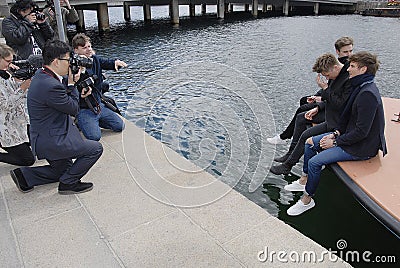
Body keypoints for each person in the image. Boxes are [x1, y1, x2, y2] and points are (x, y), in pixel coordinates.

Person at [286, 52, 387, 216]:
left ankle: (307, 200)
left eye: (353, 66)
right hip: (348, 135)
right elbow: (347, 117)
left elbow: (362, 132)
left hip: (362, 147)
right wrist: (336, 133)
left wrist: (335, 141)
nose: (349, 70)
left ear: (363, 69)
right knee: (309, 142)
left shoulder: (367, 94)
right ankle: (304, 180)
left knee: (314, 163)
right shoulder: (360, 87)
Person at [9, 40, 103, 195]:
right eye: (67, 60)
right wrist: (73, 85)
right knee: (95, 148)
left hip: (43, 135)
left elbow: (58, 99)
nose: (70, 63)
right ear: (56, 62)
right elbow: (73, 108)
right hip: (53, 140)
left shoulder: (41, 75)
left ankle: (25, 176)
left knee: (64, 170)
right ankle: (68, 184)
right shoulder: (50, 85)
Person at [270, 53, 352, 175]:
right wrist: (318, 107)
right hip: (330, 115)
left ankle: (288, 165)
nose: (327, 78)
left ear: (335, 67)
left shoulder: (348, 79)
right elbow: (331, 98)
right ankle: (289, 155)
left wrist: (325, 89)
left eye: (327, 75)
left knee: (306, 135)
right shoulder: (335, 76)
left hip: (338, 122)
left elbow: (341, 104)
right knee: (301, 117)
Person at [267, 36, 354, 145]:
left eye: (351, 51)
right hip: (330, 101)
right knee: (305, 100)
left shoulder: (347, 70)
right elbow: (332, 88)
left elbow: (338, 98)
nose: (349, 55)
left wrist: (320, 102)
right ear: (337, 51)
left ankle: (288, 137)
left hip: (335, 110)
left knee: (302, 112)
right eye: (345, 52)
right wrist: (317, 96)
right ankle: (296, 134)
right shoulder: (335, 66)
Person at [72, 33, 126, 141]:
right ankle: (82, 122)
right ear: (76, 50)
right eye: (84, 48)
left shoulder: (95, 59)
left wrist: (115, 63)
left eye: (89, 46)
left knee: (119, 126)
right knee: (94, 137)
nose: (88, 50)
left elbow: (105, 62)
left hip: (98, 104)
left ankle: (95, 122)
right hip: (84, 108)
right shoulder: (73, 66)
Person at [0, 44, 35, 166]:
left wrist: (18, 81)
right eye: (8, 61)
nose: (10, 64)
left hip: (19, 122)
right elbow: (6, 105)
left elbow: (13, 93)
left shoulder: (5, 73)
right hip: (5, 127)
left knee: (39, 144)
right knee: (28, 160)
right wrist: (23, 87)